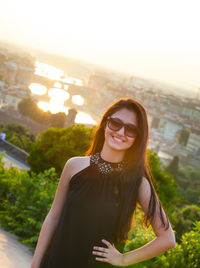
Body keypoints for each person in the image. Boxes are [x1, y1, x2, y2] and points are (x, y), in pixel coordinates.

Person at [31, 98, 175, 268]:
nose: (121, 132)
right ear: (105, 124)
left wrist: (123, 259)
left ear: (138, 138)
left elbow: (167, 239)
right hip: (56, 262)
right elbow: (53, 218)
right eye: (115, 123)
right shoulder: (74, 166)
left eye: (130, 130)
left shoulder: (138, 184)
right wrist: (35, 264)